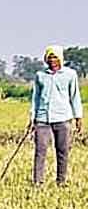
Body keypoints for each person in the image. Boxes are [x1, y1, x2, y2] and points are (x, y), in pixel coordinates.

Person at [28, 45, 83, 186]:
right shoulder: (40, 75)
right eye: (50, 57)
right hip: (42, 119)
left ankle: (61, 181)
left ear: (60, 59)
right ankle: (38, 182)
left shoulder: (70, 75)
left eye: (55, 57)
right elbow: (35, 98)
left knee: (62, 151)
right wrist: (32, 118)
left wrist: (78, 117)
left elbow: (74, 96)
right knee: (40, 151)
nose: (53, 60)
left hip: (63, 118)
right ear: (46, 59)